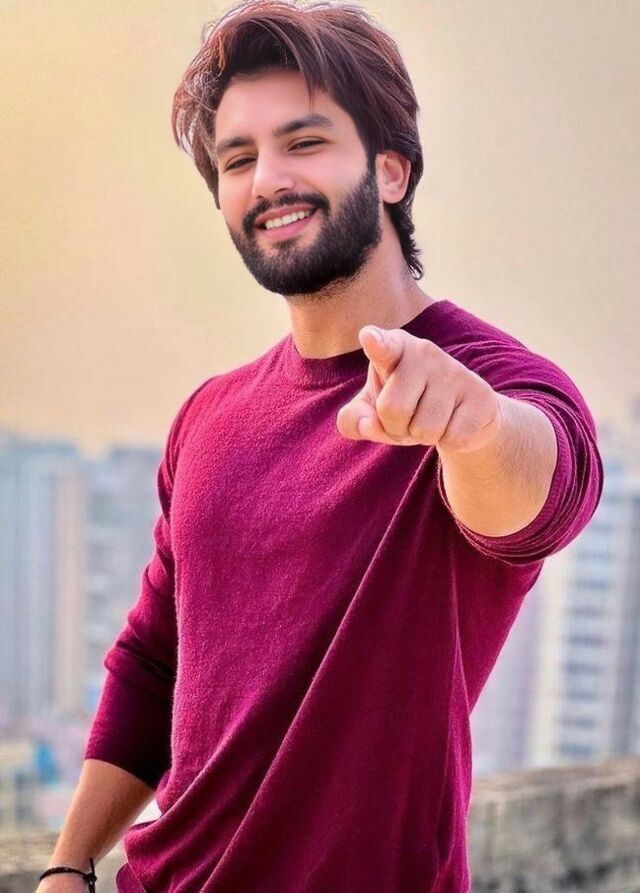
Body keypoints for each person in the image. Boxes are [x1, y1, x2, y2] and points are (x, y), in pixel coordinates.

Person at [38, 1, 604, 890]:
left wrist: (476, 427)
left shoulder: (487, 382)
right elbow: (154, 658)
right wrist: (68, 865)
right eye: (238, 159)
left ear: (390, 170)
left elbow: (548, 491)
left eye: (304, 142)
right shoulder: (209, 415)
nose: (268, 179)